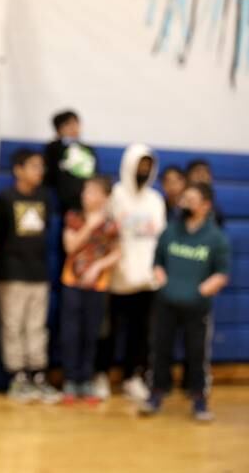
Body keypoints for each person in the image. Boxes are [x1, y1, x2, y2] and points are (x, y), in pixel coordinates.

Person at [141, 182, 231, 422]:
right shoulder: (171, 230)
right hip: (166, 303)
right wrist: (162, 280)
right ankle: (156, 394)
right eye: (184, 199)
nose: (185, 204)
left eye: (191, 199)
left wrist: (201, 290)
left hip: (197, 307)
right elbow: (158, 260)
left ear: (205, 205)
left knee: (196, 353)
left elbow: (222, 273)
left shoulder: (215, 238)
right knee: (160, 350)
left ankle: (198, 399)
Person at [0, 149, 61, 404]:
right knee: (13, 326)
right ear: (18, 169)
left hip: (38, 272)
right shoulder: (4, 198)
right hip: (11, 273)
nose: (39, 171)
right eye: (33, 166)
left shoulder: (44, 197)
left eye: (41, 166)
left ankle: (38, 375)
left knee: (36, 327)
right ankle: (18, 376)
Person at [105, 144, 166, 402]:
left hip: (146, 280)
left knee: (140, 333)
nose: (143, 171)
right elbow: (106, 234)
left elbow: (160, 237)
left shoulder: (155, 199)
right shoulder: (115, 195)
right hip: (117, 277)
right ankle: (101, 375)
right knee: (109, 331)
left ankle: (134, 377)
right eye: (139, 166)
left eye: (148, 167)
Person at [60, 176, 121, 403]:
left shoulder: (111, 223)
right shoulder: (74, 217)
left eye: (93, 192)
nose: (87, 196)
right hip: (72, 283)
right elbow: (71, 246)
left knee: (91, 333)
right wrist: (91, 225)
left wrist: (98, 266)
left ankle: (86, 380)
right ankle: (70, 380)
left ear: (105, 197)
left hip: (98, 285)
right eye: (86, 191)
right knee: (70, 333)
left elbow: (117, 252)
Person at [43, 110, 97, 213]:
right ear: (59, 130)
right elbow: (51, 174)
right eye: (68, 124)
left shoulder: (88, 148)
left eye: (76, 123)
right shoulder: (54, 147)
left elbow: (94, 172)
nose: (74, 128)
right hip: (68, 194)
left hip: (88, 191)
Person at [186, 159, 225, 227]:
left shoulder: (215, 211)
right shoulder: (181, 206)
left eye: (206, 173)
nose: (202, 176)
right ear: (188, 176)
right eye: (198, 172)